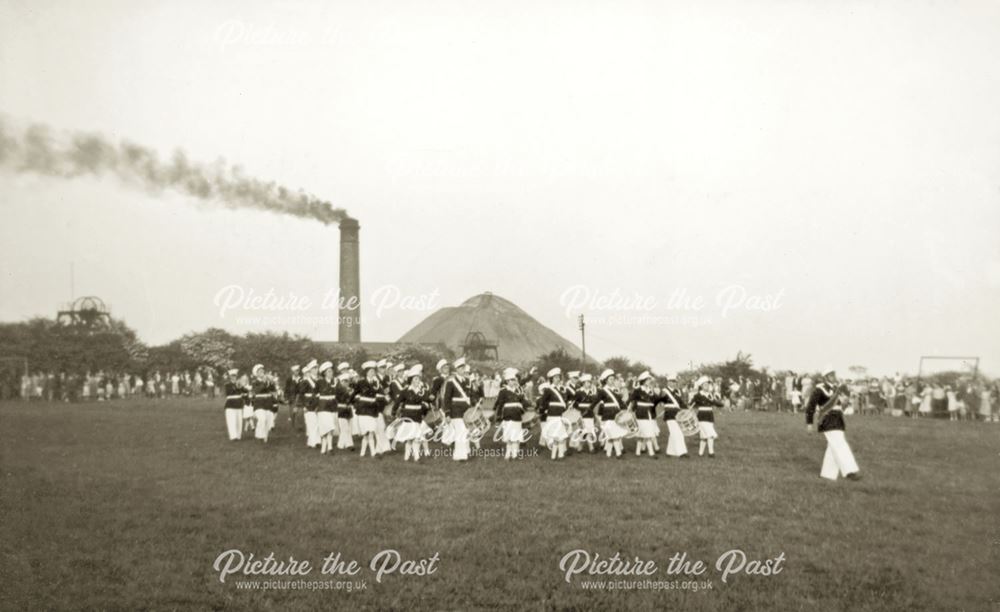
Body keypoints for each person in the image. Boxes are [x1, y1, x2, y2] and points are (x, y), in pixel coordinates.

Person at [805, 366, 861, 481]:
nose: (833, 377)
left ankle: (827, 474)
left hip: (838, 418)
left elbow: (841, 405)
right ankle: (850, 471)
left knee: (833, 447)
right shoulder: (819, 389)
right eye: (830, 375)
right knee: (840, 444)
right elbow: (810, 406)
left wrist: (846, 401)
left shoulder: (837, 388)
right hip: (827, 419)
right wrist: (809, 423)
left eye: (834, 375)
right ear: (825, 377)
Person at [395, 365, 434, 462]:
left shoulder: (422, 390)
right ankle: (407, 456)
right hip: (408, 416)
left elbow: (427, 400)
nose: (418, 381)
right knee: (409, 438)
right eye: (416, 379)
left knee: (417, 437)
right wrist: (394, 410)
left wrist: (430, 401)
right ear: (411, 380)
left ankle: (416, 457)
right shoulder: (406, 390)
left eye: (418, 379)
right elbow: (398, 401)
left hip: (417, 416)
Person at [442, 357, 473, 461]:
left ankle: (465, 452)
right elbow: (447, 398)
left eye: (463, 368)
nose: (462, 370)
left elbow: (470, 396)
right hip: (456, 410)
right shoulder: (451, 381)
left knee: (465, 432)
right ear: (456, 370)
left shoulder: (467, 381)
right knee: (461, 432)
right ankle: (460, 456)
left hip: (466, 410)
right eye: (460, 368)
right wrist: (447, 413)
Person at [538, 368, 570, 460]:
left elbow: (564, 402)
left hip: (560, 416)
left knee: (559, 437)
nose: (557, 379)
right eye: (555, 377)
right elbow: (543, 402)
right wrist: (543, 411)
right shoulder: (548, 390)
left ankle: (556, 456)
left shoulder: (562, 389)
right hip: (552, 416)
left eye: (558, 377)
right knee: (557, 437)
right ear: (551, 379)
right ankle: (558, 455)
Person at [494, 368, 527, 460]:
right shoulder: (503, 391)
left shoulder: (519, 391)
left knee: (516, 436)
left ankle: (515, 454)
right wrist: (499, 417)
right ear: (507, 381)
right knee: (508, 437)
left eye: (514, 380)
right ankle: (508, 454)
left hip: (517, 416)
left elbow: (523, 402)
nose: (513, 382)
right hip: (507, 416)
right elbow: (500, 405)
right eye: (511, 380)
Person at [353, 361, 382, 458]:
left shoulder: (376, 382)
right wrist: (356, 404)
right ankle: (363, 452)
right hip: (363, 410)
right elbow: (354, 394)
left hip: (372, 410)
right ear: (366, 372)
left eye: (373, 371)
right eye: (370, 371)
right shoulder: (361, 382)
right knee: (365, 433)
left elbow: (380, 394)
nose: (372, 373)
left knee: (371, 431)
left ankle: (373, 452)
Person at [596, 369, 626, 459]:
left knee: (611, 435)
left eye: (613, 379)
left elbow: (620, 402)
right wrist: (590, 409)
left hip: (616, 415)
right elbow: (596, 402)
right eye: (610, 379)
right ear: (606, 380)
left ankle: (608, 453)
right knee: (614, 435)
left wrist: (625, 409)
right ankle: (618, 453)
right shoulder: (602, 391)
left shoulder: (615, 390)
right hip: (607, 415)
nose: (612, 381)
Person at [691, 376, 722, 458]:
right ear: (701, 386)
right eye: (705, 385)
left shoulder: (710, 394)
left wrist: (719, 402)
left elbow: (716, 403)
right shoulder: (698, 395)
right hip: (702, 416)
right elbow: (691, 404)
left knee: (704, 436)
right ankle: (711, 453)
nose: (707, 386)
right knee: (710, 434)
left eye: (708, 385)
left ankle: (700, 453)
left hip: (710, 415)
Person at [631, 371, 659, 458]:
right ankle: (651, 453)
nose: (649, 381)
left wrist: (654, 393)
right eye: (648, 380)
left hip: (649, 413)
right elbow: (631, 400)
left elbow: (655, 400)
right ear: (643, 380)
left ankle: (637, 452)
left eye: (649, 380)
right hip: (641, 413)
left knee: (642, 433)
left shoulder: (650, 390)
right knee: (647, 433)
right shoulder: (638, 390)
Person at [661, 374, 689, 458]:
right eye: (672, 381)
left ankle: (670, 452)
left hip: (677, 413)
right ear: (668, 382)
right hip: (669, 413)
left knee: (674, 433)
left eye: (674, 382)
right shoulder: (664, 391)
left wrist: (687, 409)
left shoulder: (677, 391)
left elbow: (681, 403)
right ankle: (681, 452)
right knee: (677, 433)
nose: (674, 383)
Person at [316, 362, 338, 455]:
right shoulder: (320, 382)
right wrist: (316, 406)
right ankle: (329, 448)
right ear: (324, 373)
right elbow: (315, 394)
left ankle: (324, 448)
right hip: (323, 406)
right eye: (328, 371)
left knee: (331, 427)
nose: (331, 373)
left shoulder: (336, 381)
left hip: (332, 406)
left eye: (331, 371)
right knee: (327, 427)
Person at [573, 374, 600, 453]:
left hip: (589, 414)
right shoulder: (579, 392)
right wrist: (578, 412)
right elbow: (574, 404)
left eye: (589, 382)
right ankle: (589, 447)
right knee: (583, 430)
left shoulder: (592, 392)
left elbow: (594, 404)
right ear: (583, 383)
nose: (589, 384)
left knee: (589, 430)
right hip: (581, 414)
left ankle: (581, 447)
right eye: (587, 382)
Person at [252, 364, 277, 443]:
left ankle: (265, 437)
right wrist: (265, 381)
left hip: (268, 402)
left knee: (268, 420)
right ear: (256, 373)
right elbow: (258, 390)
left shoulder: (268, 381)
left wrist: (272, 382)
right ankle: (259, 435)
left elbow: (273, 390)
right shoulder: (255, 382)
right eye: (260, 371)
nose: (262, 372)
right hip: (259, 403)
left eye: (263, 370)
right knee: (262, 418)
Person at [300, 360, 320, 448]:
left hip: (318, 403)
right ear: (310, 370)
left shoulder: (320, 380)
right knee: (311, 423)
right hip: (309, 404)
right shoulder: (306, 381)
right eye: (314, 368)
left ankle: (315, 441)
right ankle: (313, 442)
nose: (316, 370)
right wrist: (304, 406)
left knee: (318, 423)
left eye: (317, 368)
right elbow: (301, 394)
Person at [335, 370, 355, 450]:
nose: (346, 383)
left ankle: (340, 444)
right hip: (341, 409)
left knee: (348, 428)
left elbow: (352, 400)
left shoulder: (349, 389)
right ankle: (349, 444)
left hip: (348, 409)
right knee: (345, 427)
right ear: (341, 381)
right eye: (344, 381)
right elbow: (341, 399)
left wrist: (350, 393)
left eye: (347, 381)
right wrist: (349, 393)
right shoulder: (338, 389)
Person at [223, 368, 243, 441]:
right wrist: (237, 386)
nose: (233, 377)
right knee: (231, 420)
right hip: (230, 404)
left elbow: (243, 392)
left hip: (238, 403)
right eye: (232, 376)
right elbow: (229, 392)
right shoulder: (227, 385)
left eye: (234, 376)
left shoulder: (239, 384)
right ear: (230, 377)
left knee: (239, 420)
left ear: (236, 376)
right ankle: (233, 436)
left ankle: (238, 436)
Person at [284, 365, 302, 430]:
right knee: (292, 412)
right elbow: (286, 389)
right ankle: (293, 425)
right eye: (295, 371)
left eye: (298, 371)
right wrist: (286, 398)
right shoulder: (289, 379)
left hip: (299, 397)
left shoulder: (301, 379)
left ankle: (298, 426)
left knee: (298, 411)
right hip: (292, 398)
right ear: (293, 372)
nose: (297, 372)